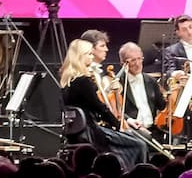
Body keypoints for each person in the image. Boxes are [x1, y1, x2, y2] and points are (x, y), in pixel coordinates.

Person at [58, 39, 149, 167]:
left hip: (76, 134)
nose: (92, 57)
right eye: (89, 54)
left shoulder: (66, 81)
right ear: (80, 57)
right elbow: (100, 108)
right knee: (139, 144)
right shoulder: (83, 81)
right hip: (91, 132)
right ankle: (135, 177)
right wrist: (118, 125)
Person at [117, 42, 166, 139]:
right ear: (123, 63)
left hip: (153, 130)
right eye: (133, 60)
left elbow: (162, 106)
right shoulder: (119, 84)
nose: (137, 64)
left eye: (139, 58)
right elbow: (116, 111)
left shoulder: (151, 81)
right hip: (132, 130)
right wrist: (129, 120)